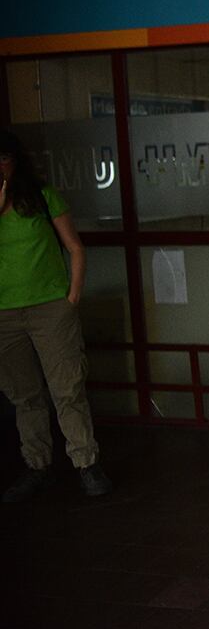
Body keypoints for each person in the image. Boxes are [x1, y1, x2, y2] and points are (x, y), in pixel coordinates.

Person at [0, 129, 113, 501]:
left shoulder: (42, 196)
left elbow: (75, 247)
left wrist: (72, 298)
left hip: (50, 308)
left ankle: (86, 463)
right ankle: (37, 465)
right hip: (4, 315)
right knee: (24, 395)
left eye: (3, 159)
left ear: (15, 160)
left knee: (67, 388)